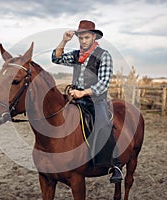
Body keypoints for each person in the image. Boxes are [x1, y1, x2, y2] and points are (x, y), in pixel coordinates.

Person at [51, 20, 123, 183]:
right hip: (75, 97)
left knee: (104, 124)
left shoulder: (103, 55)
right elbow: (56, 59)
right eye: (81, 38)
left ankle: (115, 165)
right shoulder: (76, 54)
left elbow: (103, 83)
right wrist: (64, 41)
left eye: (86, 38)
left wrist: (83, 92)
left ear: (94, 37)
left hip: (95, 100)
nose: (83, 41)